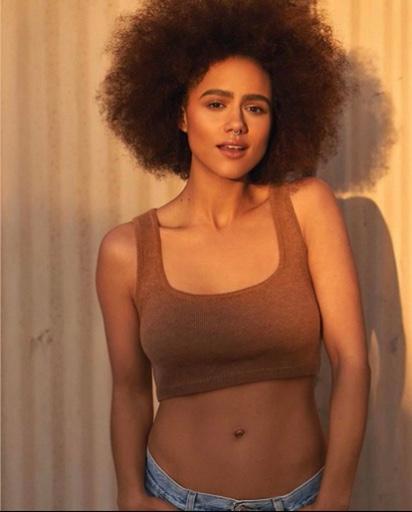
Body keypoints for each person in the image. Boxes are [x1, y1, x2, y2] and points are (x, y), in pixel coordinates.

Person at [95, 1, 371, 510]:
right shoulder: (126, 250)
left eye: (255, 107)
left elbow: (351, 360)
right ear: (181, 114)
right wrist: (130, 495)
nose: (237, 124)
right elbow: (129, 390)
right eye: (216, 103)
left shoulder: (307, 209)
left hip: (301, 499)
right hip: (174, 498)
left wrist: (335, 498)